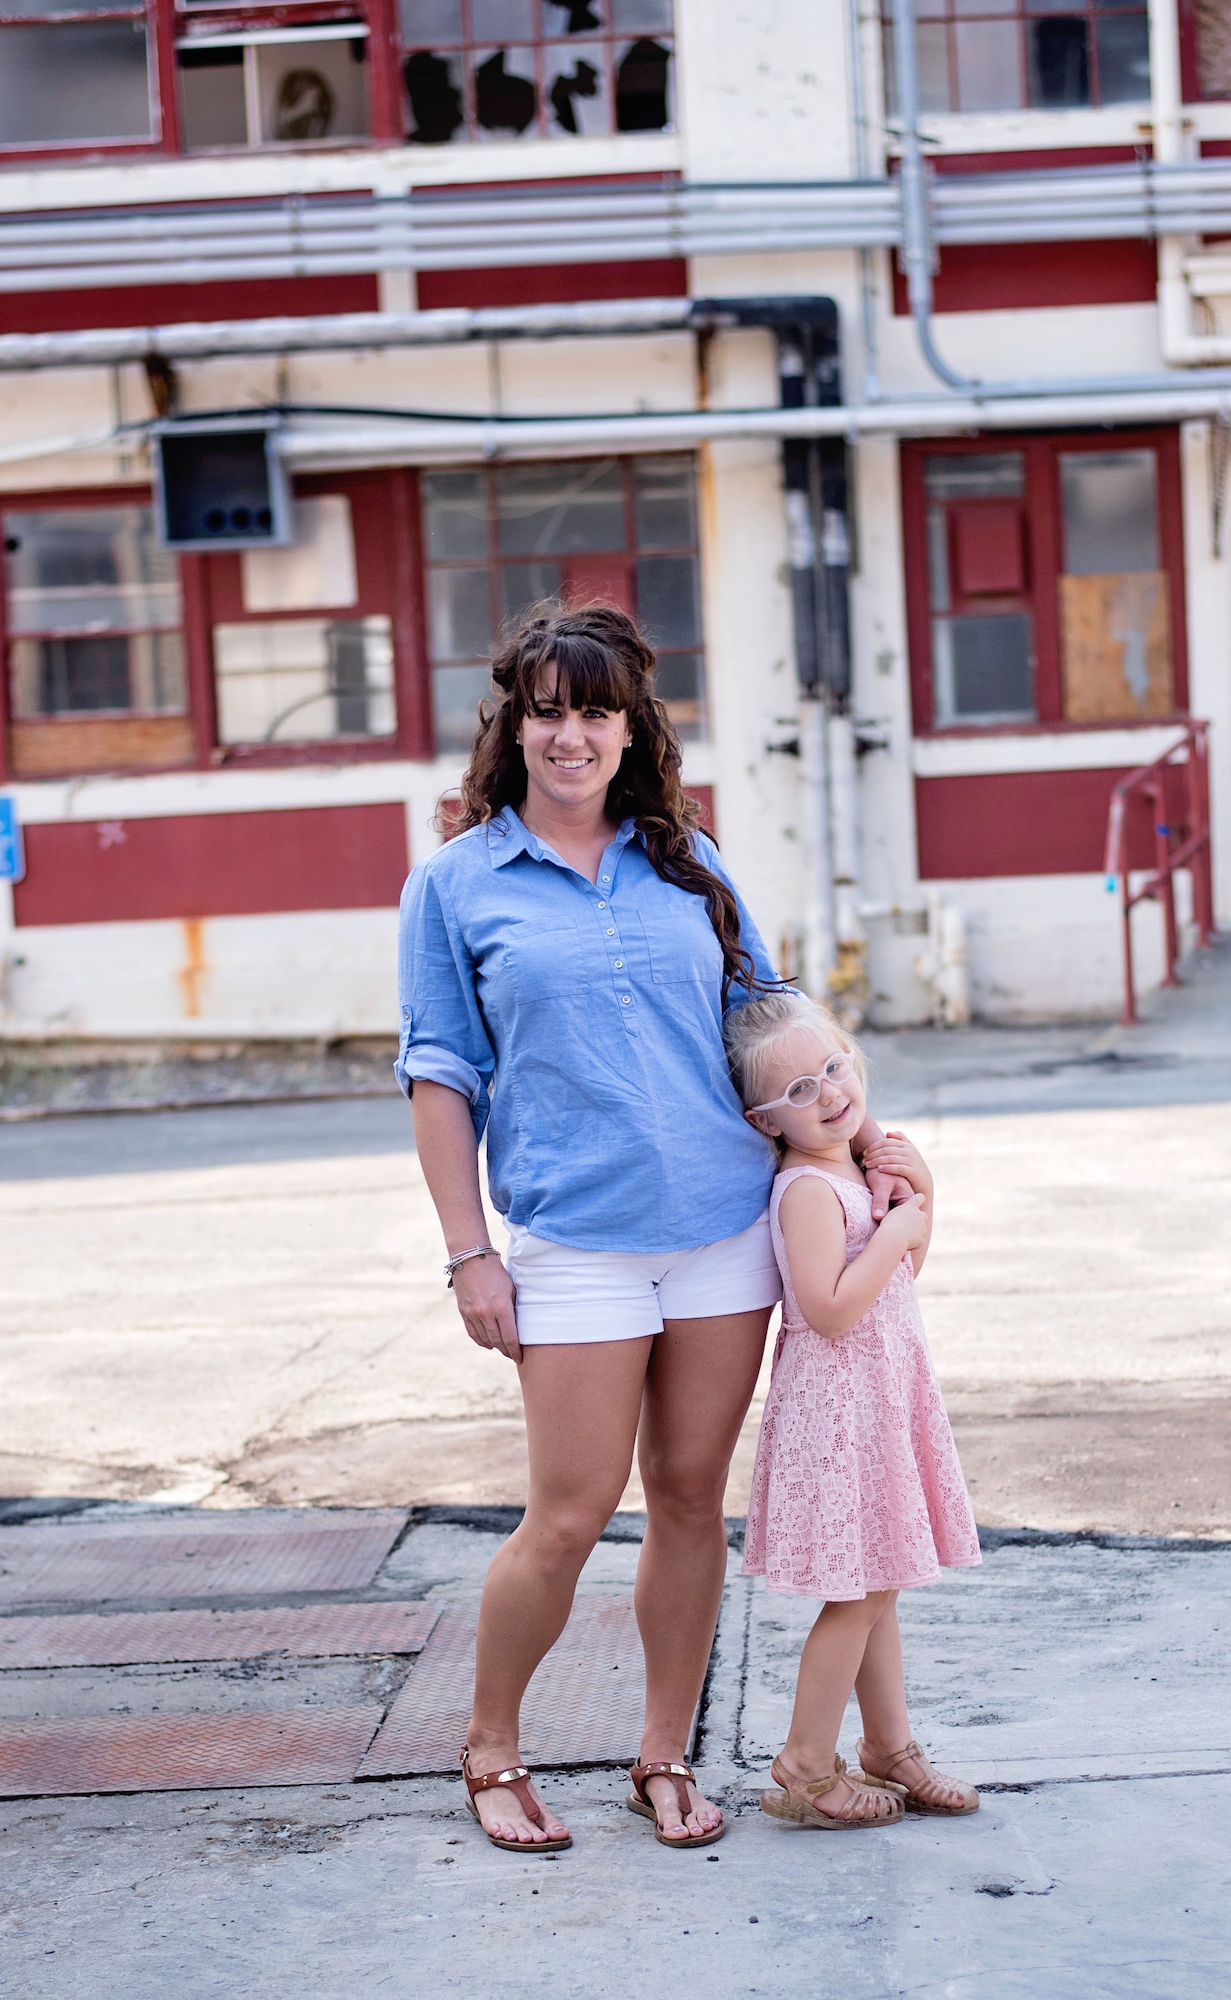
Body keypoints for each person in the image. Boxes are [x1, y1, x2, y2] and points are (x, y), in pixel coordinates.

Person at [396, 602, 910, 1853]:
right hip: (576, 1241)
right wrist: (470, 1252)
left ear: (632, 729)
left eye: (594, 710)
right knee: (568, 1512)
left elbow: (776, 1027)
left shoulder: (690, 859)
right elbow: (439, 1076)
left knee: (689, 1498)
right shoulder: (457, 883)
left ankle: (662, 1751)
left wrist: (867, 1145)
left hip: (726, 1231)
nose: (571, 735)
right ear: (515, 724)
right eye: (548, 709)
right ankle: (491, 1746)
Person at [726, 992, 982, 1829]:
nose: (829, 1092)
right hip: (838, 1413)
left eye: (832, 1067)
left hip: (882, 1398)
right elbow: (829, 1308)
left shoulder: (856, 1167)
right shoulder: (805, 1190)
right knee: (861, 1589)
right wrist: (897, 1231)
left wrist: (916, 1212)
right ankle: (805, 1763)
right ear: (764, 1118)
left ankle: (890, 1747)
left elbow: (903, 1275)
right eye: (799, 1090)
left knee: (885, 1581)